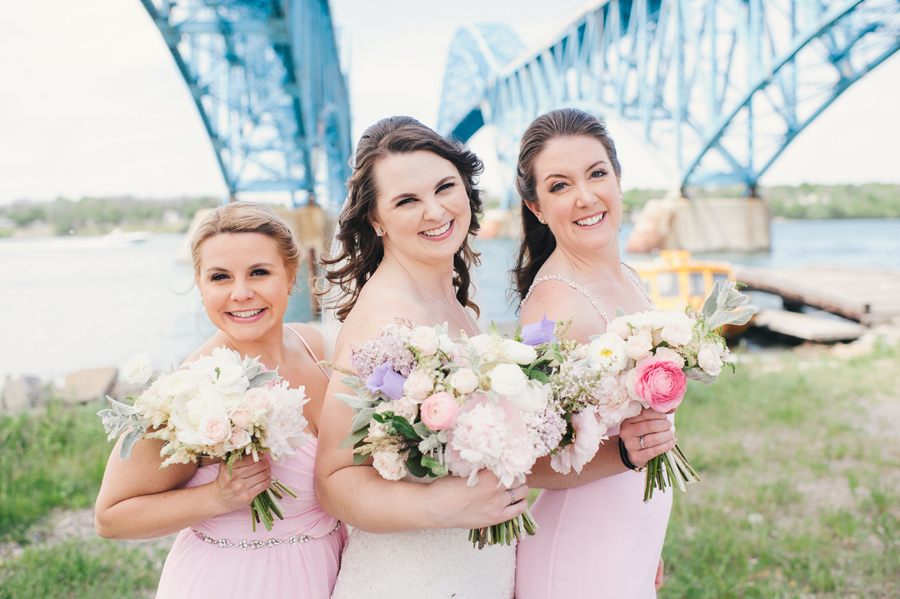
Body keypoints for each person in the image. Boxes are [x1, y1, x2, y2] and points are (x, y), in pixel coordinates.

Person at [315, 116, 527, 598]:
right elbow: (335, 479)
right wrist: (440, 505)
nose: (435, 211)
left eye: (444, 187)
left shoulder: (449, 299)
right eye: (407, 200)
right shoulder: (387, 319)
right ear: (376, 219)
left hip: (476, 568)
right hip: (414, 577)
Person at [94, 202, 346, 598]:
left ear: (292, 274)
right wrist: (215, 497)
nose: (241, 293)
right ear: (200, 284)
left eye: (259, 272)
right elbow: (111, 517)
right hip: (237, 582)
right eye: (220, 277)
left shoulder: (312, 345)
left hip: (328, 570)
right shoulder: (188, 390)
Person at [512, 108, 676, 598]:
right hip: (579, 561)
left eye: (597, 173)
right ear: (537, 207)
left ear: (619, 179)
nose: (586, 197)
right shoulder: (551, 309)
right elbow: (522, 461)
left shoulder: (628, 276)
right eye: (560, 186)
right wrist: (622, 452)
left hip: (626, 544)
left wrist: (645, 539)